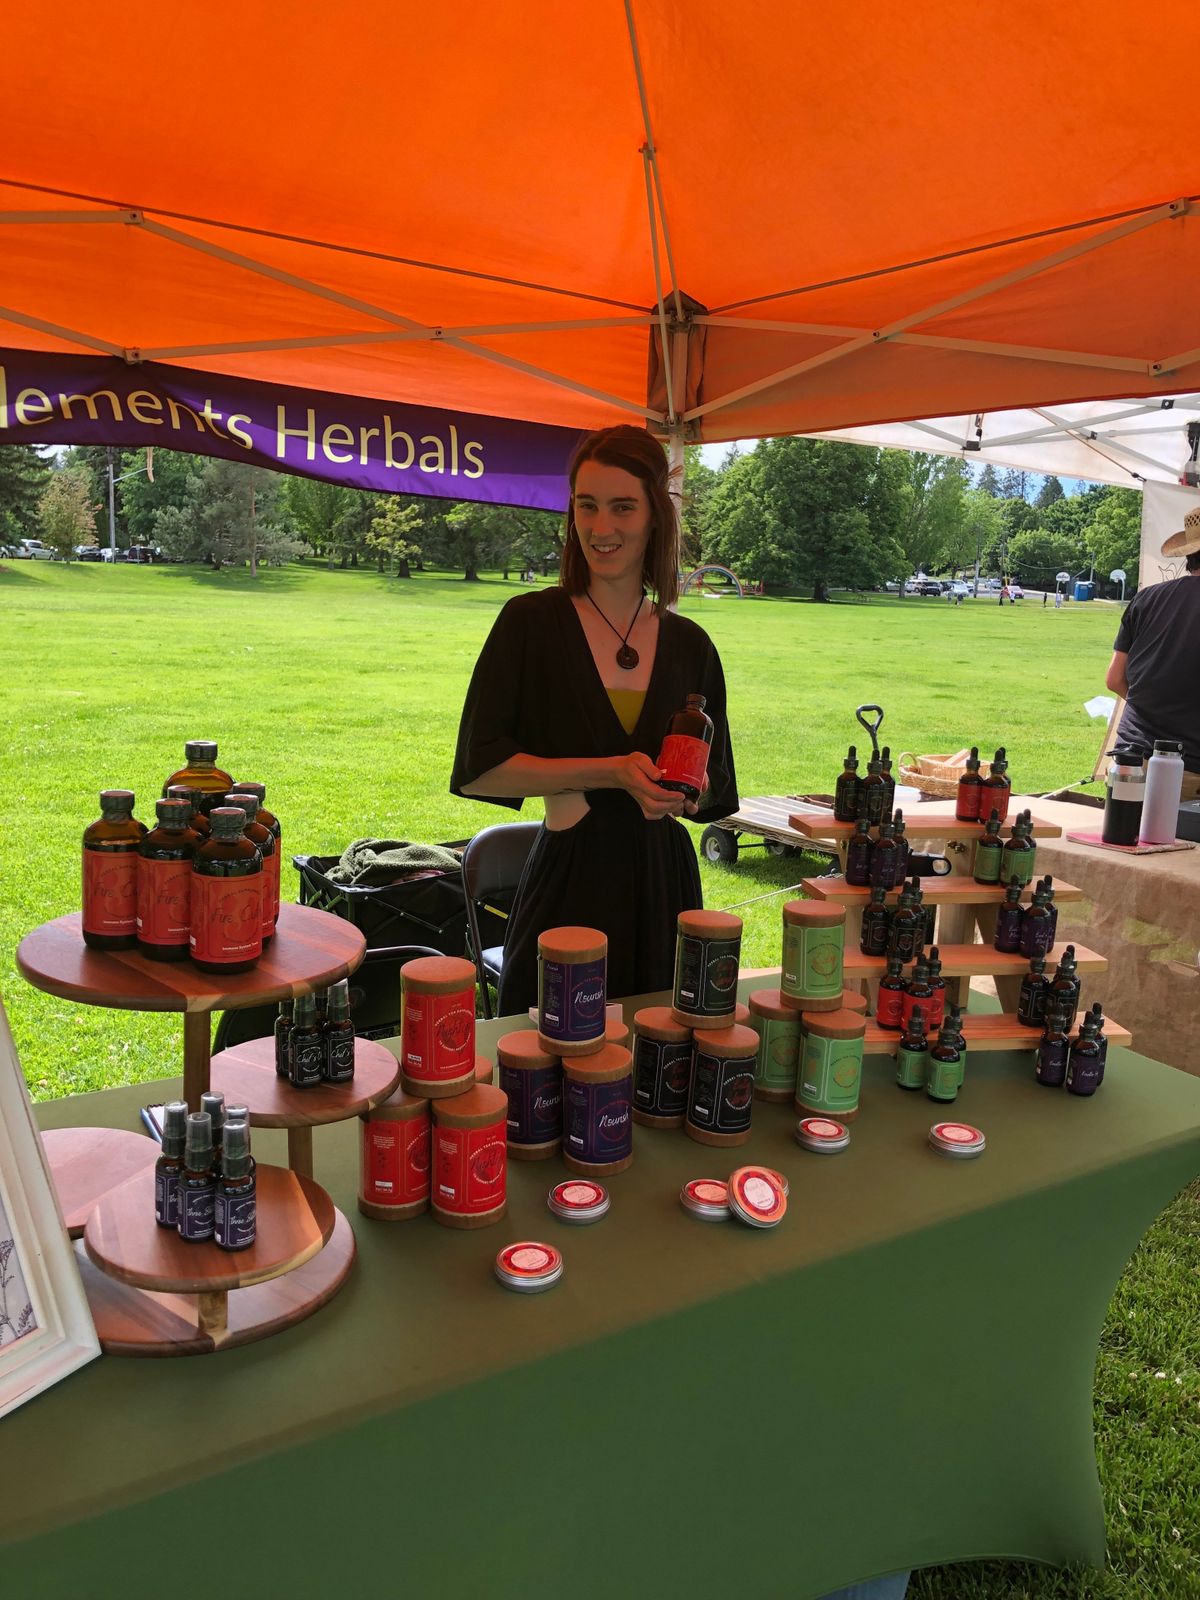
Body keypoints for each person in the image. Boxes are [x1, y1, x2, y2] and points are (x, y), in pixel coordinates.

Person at [451, 424, 738, 1012]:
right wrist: (609, 772)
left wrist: (685, 791)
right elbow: (480, 771)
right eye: (587, 506)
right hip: (568, 879)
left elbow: (707, 796)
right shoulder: (530, 624)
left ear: (656, 515)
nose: (601, 528)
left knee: (656, 1063)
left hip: (663, 887)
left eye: (622, 507)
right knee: (543, 1063)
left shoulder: (691, 646)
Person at [1105, 505, 1200, 800]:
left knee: (1120, 842)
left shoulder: (1147, 598)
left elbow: (1114, 679)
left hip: (1130, 760)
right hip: (1189, 772)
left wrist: (1153, 714)